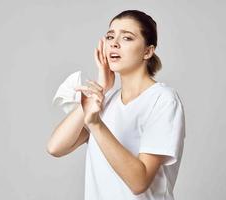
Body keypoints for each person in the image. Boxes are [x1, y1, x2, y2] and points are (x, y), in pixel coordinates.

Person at [47, 9, 186, 200]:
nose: (114, 43)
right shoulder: (105, 101)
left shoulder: (163, 100)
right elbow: (56, 147)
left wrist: (96, 124)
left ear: (148, 51)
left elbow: (139, 182)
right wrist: (101, 88)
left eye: (127, 38)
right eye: (110, 36)